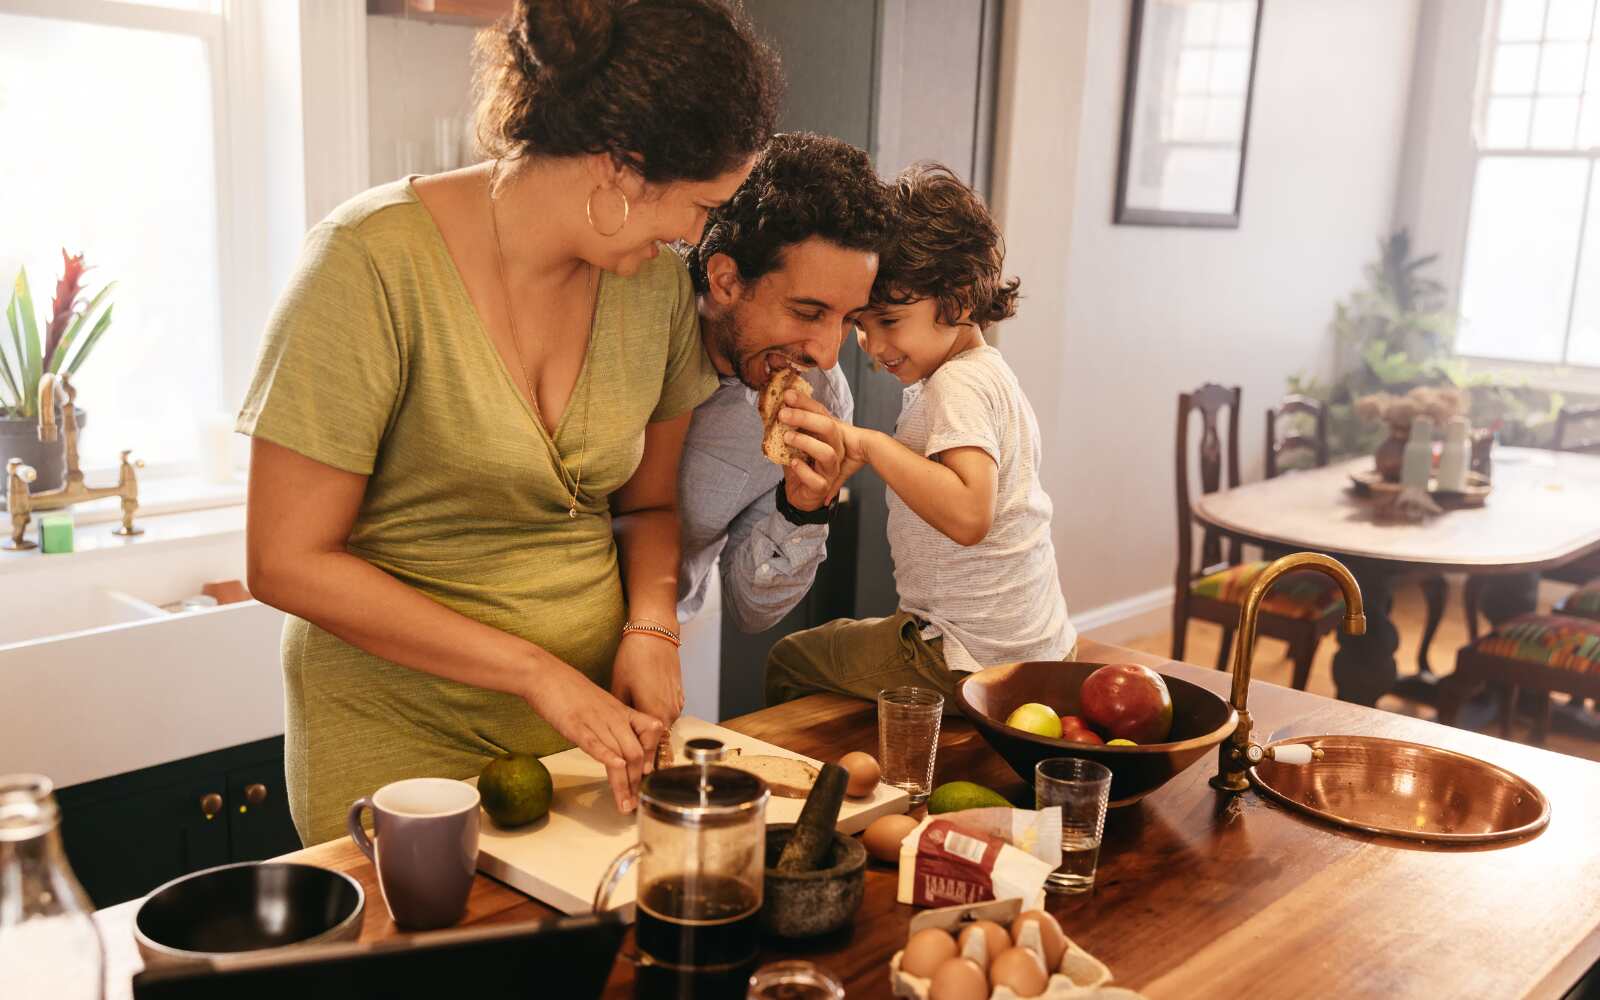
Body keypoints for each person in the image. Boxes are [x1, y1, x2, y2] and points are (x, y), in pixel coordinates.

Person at [237, 0, 781, 845]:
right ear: (621, 168)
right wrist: (535, 671)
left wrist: (650, 626)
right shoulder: (368, 262)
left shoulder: (655, 290)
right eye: (701, 206)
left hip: (583, 730)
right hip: (395, 733)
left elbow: (647, 509)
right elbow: (285, 561)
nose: (700, 236)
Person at [765, 164, 1075, 706]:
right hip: (1039, 649)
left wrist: (868, 444)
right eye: (861, 324)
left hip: (967, 658)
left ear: (954, 299)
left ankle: (835, 786)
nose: (870, 343)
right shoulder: (987, 371)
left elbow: (970, 514)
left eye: (888, 321)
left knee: (793, 658)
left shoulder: (956, 386)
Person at [677, 132, 895, 634]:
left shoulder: (825, 395)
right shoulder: (637, 330)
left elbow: (752, 611)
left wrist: (800, 512)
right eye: (807, 312)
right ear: (726, 280)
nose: (825, 352)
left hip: (652, 655)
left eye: (847, 319)